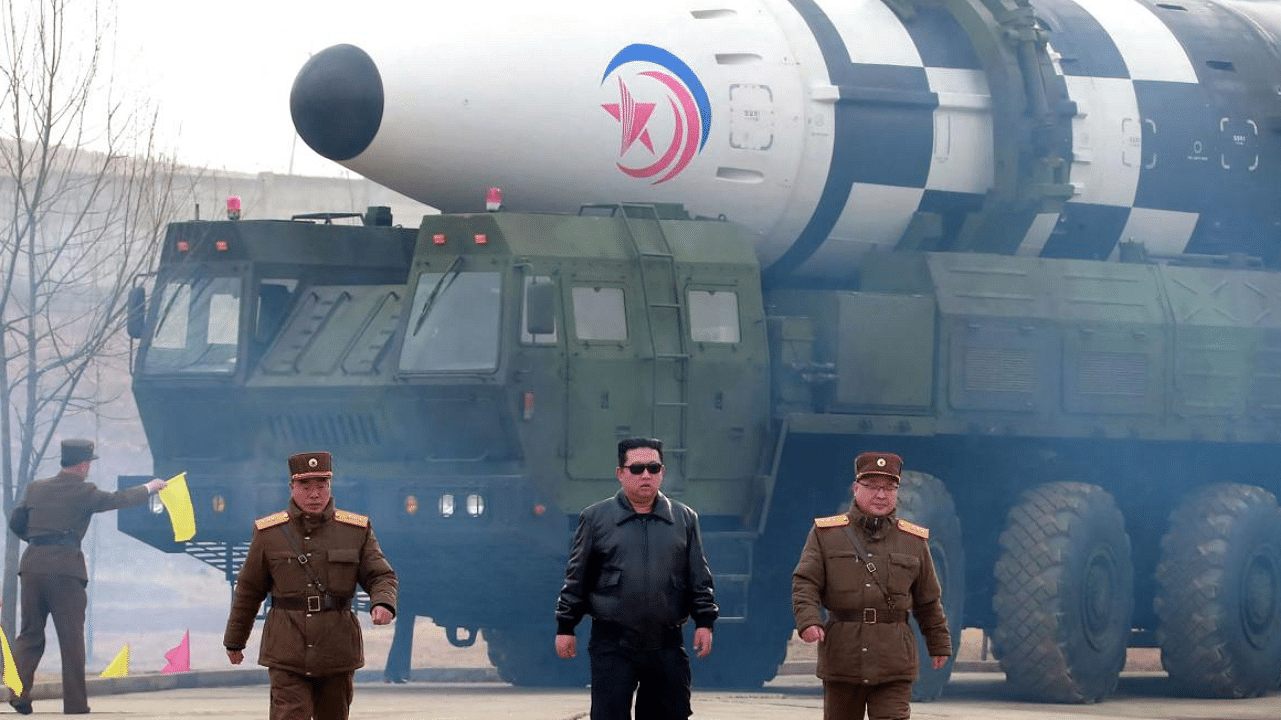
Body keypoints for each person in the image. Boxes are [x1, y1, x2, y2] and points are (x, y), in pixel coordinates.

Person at [223, 451, 398, 720]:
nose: (314, 494)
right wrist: (235, 641)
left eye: (321, 486)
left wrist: (383, 602)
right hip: (286, 649)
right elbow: (248, 590)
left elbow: (381, 575)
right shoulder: (269, 534)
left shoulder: (355, 531)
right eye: (306, 487)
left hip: (336, 650)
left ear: (330, 487)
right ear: (292, 487)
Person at [555, 437, 718, 720]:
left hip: (667, 642)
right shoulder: (596, 518)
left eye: (653, 468)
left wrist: (705, 622)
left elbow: (698, 576)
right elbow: (577, 577)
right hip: (613, 642)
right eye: (637, 468)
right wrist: (566, 626)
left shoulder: (684, 519)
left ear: (662, 471)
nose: (646, 475)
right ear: (620, 473)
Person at [7, 439, 168, 715]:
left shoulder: (35, 488)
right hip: (66, 570)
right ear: (83, 465)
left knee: (29, 634)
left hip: (32, 565)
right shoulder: (85, 491)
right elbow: (120, 499)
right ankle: (75, 704)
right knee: (71, 640)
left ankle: (19, 692)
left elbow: (15, 523)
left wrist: (37, 541)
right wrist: (149, 488)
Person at [792, 451, 951, 720]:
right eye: (873, 487)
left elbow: (928, 600)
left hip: (894, 660)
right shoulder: (826, 535)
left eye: (889, 487)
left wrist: (939, 644)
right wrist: (808, 621)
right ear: (856, 489)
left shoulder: (912, 541)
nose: (881, 495)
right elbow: (806, 582)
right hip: (843, 658)